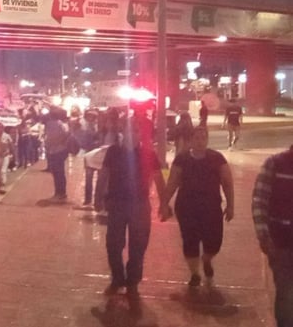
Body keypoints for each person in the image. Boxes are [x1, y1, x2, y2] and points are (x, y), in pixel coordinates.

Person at [97, 116, 167, 299]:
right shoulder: (113, 152)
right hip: (117, 204)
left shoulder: (149, 155)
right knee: (113, 244)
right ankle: (117, 278)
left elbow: (159, 179)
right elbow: (104, 175)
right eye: (129, 130)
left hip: (140, 206)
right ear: (122, 132)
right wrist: (98, 198)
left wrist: (164, 203)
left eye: (135, 130)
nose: (132, 134)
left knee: (138, 246)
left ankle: (133, 281)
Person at [160, 126, 235, 287]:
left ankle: (207, 259)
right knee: (190, 241)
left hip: (211, 208)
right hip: (187, 208)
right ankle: (195, 274)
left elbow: (227, 183)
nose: (200, 141)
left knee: (214, 242)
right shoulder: (182, 159)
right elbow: (172, 182)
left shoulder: (217, 158)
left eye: (203, 138)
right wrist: (164, 203)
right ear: (191, 140)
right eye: (197, 138)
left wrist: (230, 205)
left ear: (207, 140)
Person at [252, 145, 293, 327]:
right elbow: (260, 200)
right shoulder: (275, 164)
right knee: (285, 291)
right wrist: (263, 235)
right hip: (281, 240)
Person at [43, 107, 70, 202]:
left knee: (57, 173)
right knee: (60, 172)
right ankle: (61, 193)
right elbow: (66, 135)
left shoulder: (52, 124)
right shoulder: (63, 124)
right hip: (61, 150)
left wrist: (48, 145)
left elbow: (51, 137)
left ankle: (59, 193)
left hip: (55, 150)